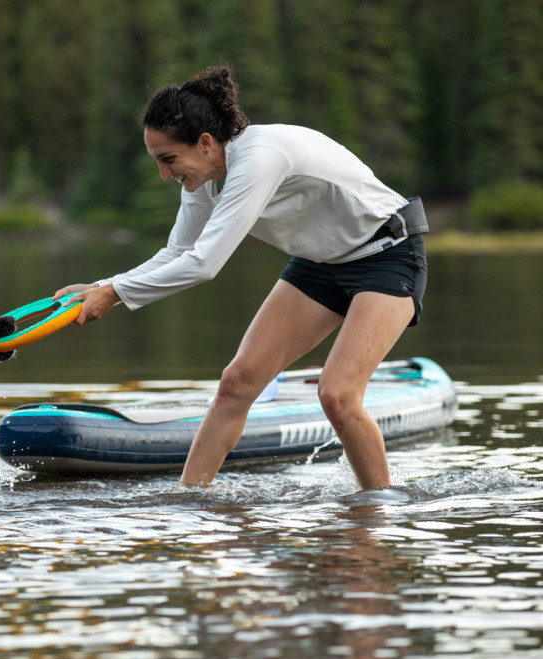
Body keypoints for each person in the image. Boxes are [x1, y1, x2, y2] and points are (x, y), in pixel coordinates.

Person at [54, 64, 428, 491]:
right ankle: (192, 502)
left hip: (388, 253)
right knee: (236, 384)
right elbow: (178, 252)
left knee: (338, 395)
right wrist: (107, 283)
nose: (164, 173)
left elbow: (204, 263)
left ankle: (375, 514)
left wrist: (116, 293)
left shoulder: (260, 158)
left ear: (206, 143)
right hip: (319, 263)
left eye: (168, 159)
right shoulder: (203, 181)